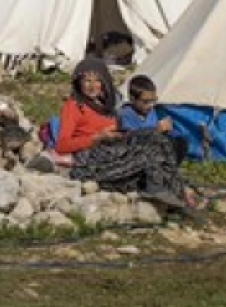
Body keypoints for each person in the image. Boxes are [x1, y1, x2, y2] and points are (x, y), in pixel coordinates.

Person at [42, 57, 196, 211]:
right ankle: (169, 188)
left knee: (166, 141)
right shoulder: (75, 106)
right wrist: (97, 137)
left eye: (97, 81)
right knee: (153, 140)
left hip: (113, 148)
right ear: (79, 82)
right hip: (93, 156)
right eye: (87, 81)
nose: (92, 86)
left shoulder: (104, 104)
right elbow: (62, 145)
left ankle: (169, 187)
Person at [118, 74, 190, 162]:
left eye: (153, 100)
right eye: (146, 102)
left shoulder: (151, 112)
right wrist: (156, 130)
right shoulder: (126, 114)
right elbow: (131, 140)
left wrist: (169, 131)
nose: (150, 105)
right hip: (138, 158)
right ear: (132, 99)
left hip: (156, 152)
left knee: (180, 142)